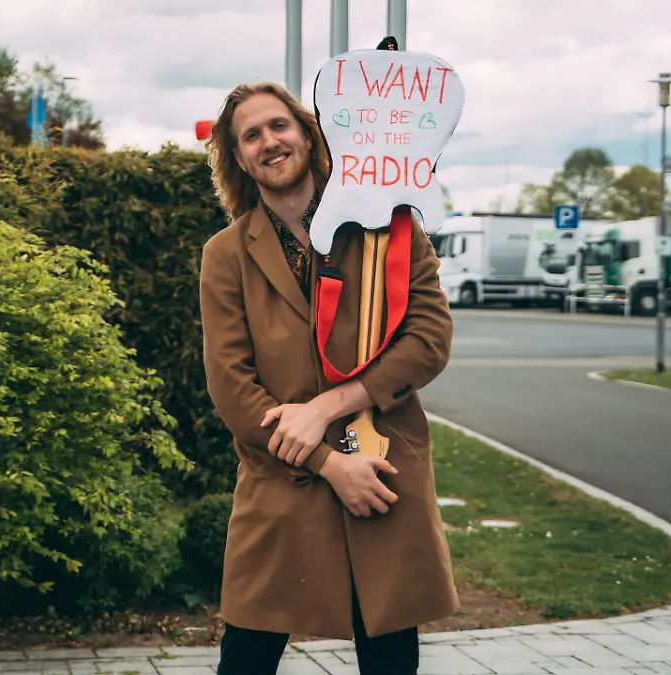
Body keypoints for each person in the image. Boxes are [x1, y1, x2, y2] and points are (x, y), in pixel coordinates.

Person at [198, 81, 459, 675]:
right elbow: (232, 387)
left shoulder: (388, 227)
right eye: (251, 135)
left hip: (380, 468)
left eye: (279, 125)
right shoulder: (226, 255)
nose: (269, 142)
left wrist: (326, 407)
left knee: (388, 655)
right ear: (239, 158)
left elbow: (428, 340)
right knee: (246, 658)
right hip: (283, 477)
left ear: (307, 133)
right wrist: (327, 463)